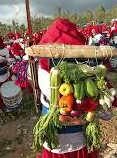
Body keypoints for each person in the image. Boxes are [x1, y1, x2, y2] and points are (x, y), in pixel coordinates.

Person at [37, 18, 99, 158]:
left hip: (62, 136)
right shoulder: (86, 71)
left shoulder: (41, 69)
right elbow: (104, 111)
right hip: (73, 134)